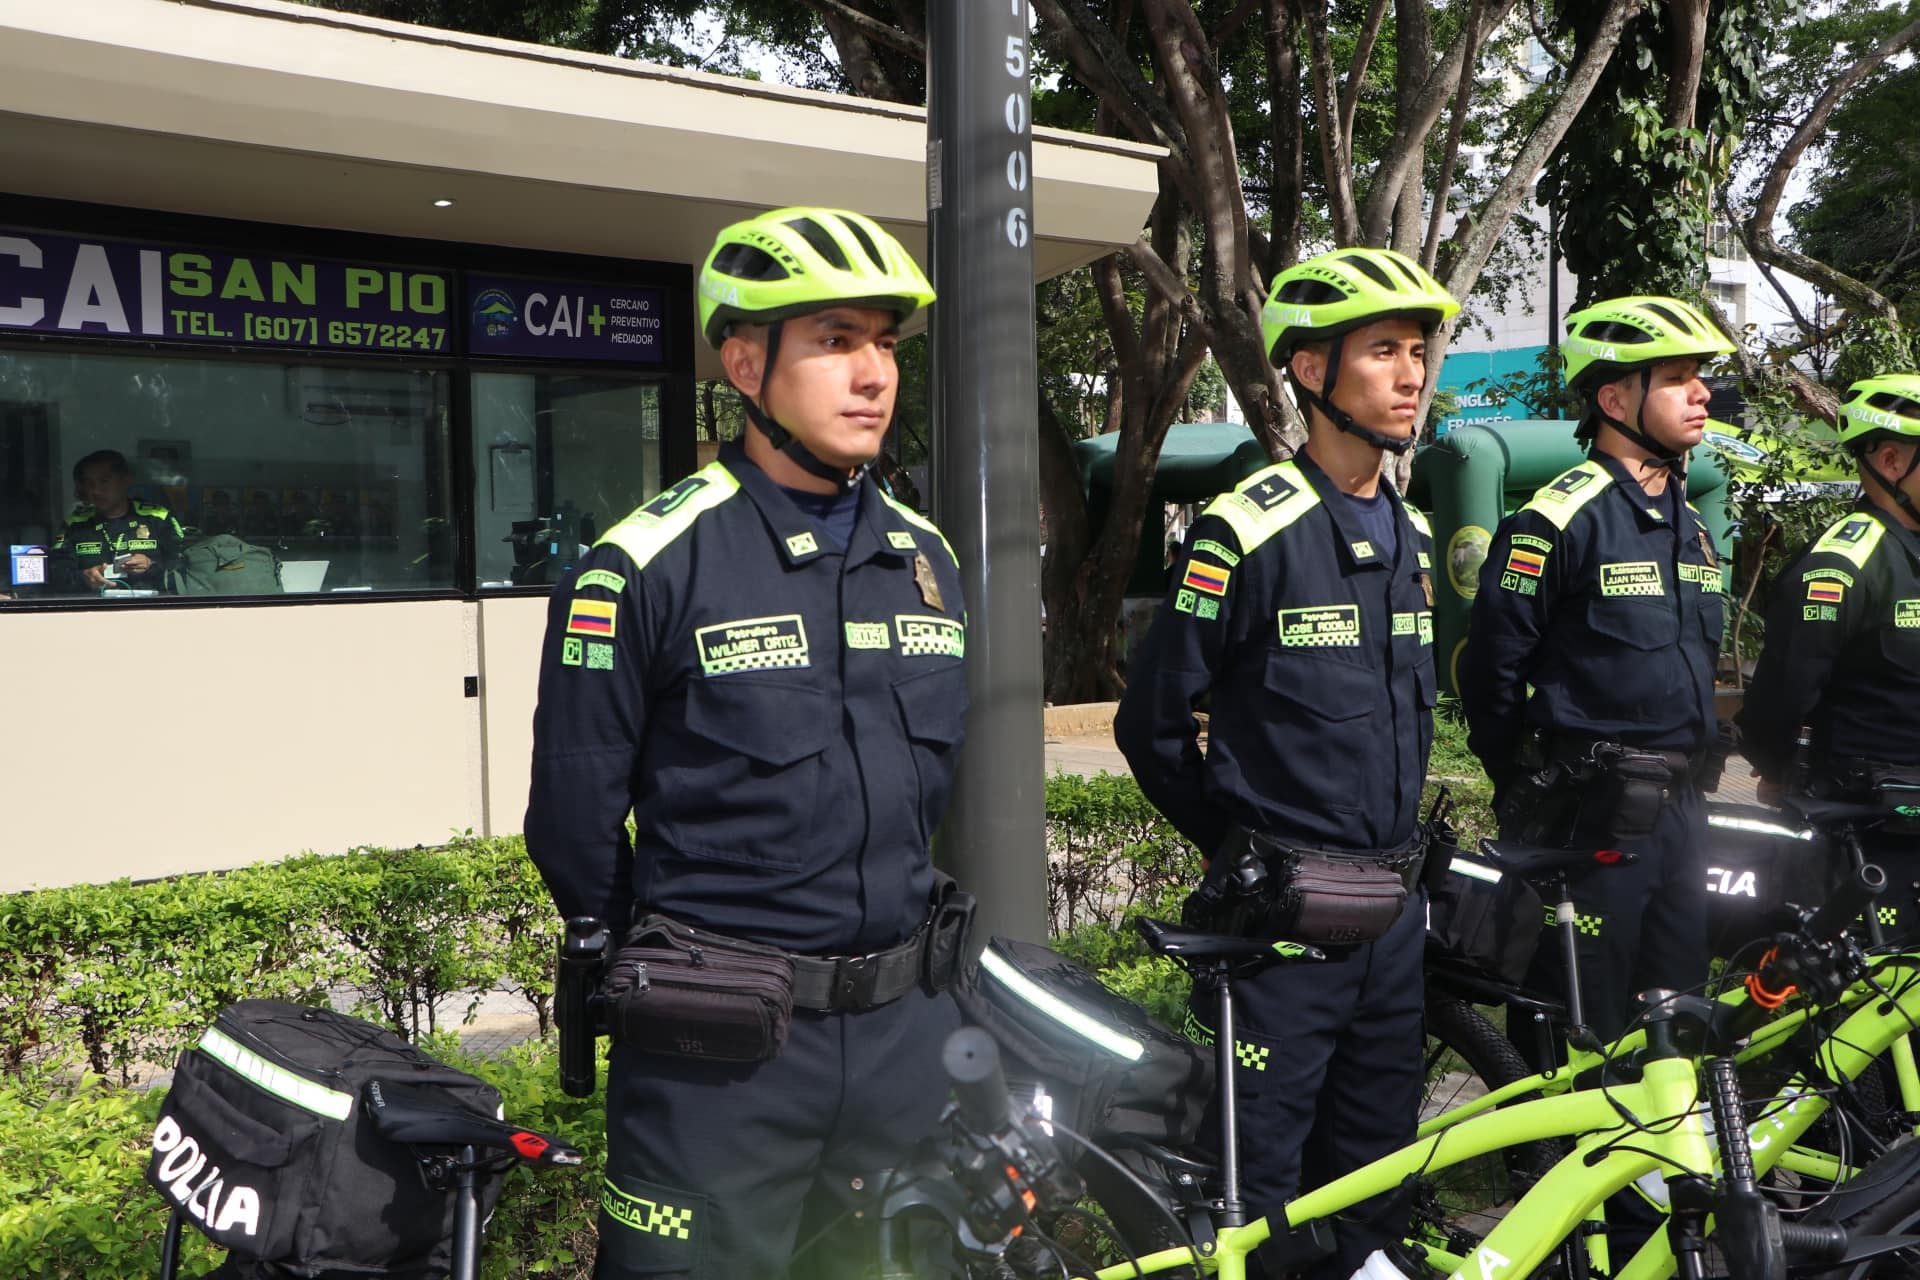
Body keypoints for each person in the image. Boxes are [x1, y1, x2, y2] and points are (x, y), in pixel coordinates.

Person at [523, 207, 971, 1280]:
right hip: (721, 1060)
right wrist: (691, 971)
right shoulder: (643, 564)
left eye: (886, 342)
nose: (872, 373)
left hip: (908, 1046)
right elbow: (574, 825)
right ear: (744, 359)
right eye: (835, 339)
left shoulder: (927, 556)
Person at [1114, 247, 1458, 1278]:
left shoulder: (1415, 536)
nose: (1411, 374)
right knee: (1260, 1197)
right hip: (1283, 937)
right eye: (1383, 352)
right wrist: (1240, 848)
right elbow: (1152, 723)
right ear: (1312, 374)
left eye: (1417, 352)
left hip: (1391, 930)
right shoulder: (1247, 530)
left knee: (1377, 1182)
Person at [1459, 295, 1733, 1042]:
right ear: (1615, 397)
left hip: (1682, 811)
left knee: (1676, 1019)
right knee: (1581, 1023)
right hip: (1594, 815)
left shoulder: (1692, 526)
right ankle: (1548, 1157)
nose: (1701, 392)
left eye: (1697, 376)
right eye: (1676, 377)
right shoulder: (1556, 519)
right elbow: (1490, 671)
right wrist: (1526, 785)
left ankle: (1659, 1160)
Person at [1738, 373, 1920, 937]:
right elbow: (1784, 691)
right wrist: (1772, 769)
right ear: (1891, 461)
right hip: (1868, 827)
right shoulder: (1841, 566)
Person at [49, 449, 184, 593]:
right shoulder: (75, 524)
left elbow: (185, 565)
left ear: (126, 480)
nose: (96, 491)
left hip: (151, 607)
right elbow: (55, 573)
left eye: (104, 481)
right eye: (90, 484)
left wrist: (152, 565)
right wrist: (84, 578)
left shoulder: (158, 517)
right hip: (94, 608)